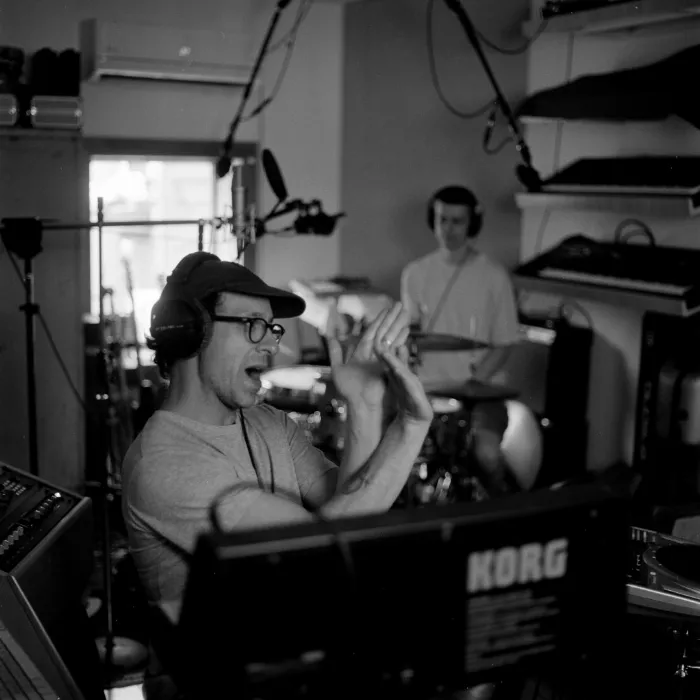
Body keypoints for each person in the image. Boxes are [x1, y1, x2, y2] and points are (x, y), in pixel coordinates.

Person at [121, 251, 434, 609]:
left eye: (271, 328)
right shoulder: (163, 465)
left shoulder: (269, 422)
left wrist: (362, 405)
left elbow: (349, 510)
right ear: (192, 331)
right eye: (252, 324)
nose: (271, 344)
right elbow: (316, 554)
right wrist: (409, 427)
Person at [400, 185, 530, 495]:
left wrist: (472, 382)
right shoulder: (415, 273)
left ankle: (510, 516)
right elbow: (412, 335)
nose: (449, 229)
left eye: (458, 221)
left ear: (473, 224)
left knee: (485, 454)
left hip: (480, 393)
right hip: (429, 390)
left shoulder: (494, 276)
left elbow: (505, 343)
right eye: (443, 219)